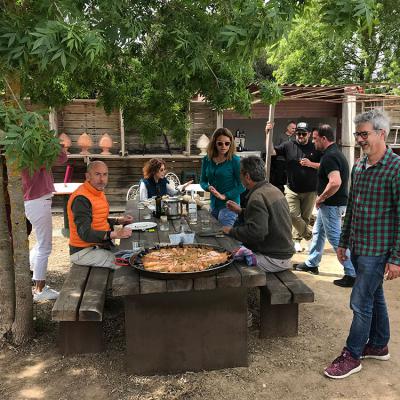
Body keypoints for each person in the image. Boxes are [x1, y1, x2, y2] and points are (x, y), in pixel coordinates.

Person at [324, 109, 400, 379]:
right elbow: (352, 208)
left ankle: (352, 354)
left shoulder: (396, 169)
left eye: (364, 134)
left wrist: (396, 258)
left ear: (382, 133)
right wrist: (343, 242)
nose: (359, 139)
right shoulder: (358, 166)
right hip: (358, 247)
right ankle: (378, 344)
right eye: (357, 134)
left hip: (378, 251)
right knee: (374, 296)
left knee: (360, 302)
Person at [295, 125, 356, 287]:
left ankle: (352, 273)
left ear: (324, 138)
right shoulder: (334, 153)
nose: (313, 142)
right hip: (331, 204)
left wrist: (321, 198)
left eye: (315, 139)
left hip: (331, 204)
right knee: (318, 232)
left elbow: (335, 182)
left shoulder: (330, 156)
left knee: (335, 238)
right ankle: (312, 264)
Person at [222, 156, 294, 271]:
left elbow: (256, 233)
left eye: (240, 174)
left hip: (273, 258)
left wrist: (231, 231)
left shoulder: (256, 197)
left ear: (247, 176)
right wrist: (240, 211)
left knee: (227, 264)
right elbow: (266, 217)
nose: (239, 177)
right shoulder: (273, 189)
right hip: (283, 253)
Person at [266, 121, 321, 252]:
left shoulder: (315, 147)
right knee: (291, 214)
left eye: (303, 134)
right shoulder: (288, 145)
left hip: (310, 189)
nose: (300, 136)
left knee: (305, 218)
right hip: (292, 188)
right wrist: (267, 133)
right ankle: (309, 236)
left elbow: (323, 165)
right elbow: (271, 151)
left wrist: (310, 164)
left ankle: (296, 240)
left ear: (309, 134)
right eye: (298, 133)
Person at [67, 161, 133, 268]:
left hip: (99, 246)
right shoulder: (81, 199)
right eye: (97, 174)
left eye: (105, 174)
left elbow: (98, 219)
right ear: (88, 176)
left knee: (133, 255)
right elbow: (85, 234)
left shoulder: (97, 191)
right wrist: (114, 234)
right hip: (83, 252)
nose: (102, 179)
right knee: (127, 265)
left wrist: (118, 220)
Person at [22, 148, 67, 301]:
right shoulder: (33, 151)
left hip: (35, 200)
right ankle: (40, 290)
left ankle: (31, 273)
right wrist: (54, 143)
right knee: (45, 246)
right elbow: (61, 157)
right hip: (37, 201)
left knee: (41, 243)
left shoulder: (25, 148)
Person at [200, 127, 245, 226]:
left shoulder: (235, 161)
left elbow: (242, 186)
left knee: (224, 234)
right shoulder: (207, 159)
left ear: (231, 143)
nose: (223, 146)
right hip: (213, 204)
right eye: (220, 143)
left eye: (227, 143)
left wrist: (225, 195)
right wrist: (208, 187)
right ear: (214, 143)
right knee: (213, 232)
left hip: (230, 205)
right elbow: (202, 181)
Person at [269, 120, 296, 193]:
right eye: (292, 128)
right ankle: (279, 192)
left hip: (290, 161)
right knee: (279, 178)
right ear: (288, 127)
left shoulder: (295, 138)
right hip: (280, 160)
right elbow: (275, 148)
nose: (294, 130)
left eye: (295, 128)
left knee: (288, 178)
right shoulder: (281, 136)